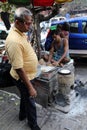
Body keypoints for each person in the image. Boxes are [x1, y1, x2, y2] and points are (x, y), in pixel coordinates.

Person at [5, 7, 41, 130]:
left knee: (25, 97)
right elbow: (19, 68)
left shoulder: (21, 33)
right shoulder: (14, 40)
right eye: (27, 23)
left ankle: (22, 115)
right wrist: (30, 87)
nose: (29, 26)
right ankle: (33, 124)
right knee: (30, 100)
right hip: (22, 76)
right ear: (17, 22)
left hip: (28, 74)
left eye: (30, 22)